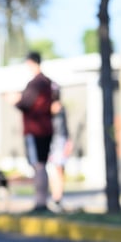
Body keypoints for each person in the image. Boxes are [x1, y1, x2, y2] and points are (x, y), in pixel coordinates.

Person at [11, 51, 54, 213]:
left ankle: (40, 202)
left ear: (31, 63)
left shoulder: (36, 83)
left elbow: (25, 103)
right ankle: (43, 200)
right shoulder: (48, 82)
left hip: (35, 129)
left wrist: (15, 100)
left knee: (38, 166)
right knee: (42, 165)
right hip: (46, 128)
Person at [47, 84, 72, 212]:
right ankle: (55, 197)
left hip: (58, 142)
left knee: (58, 170)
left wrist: (68, 142)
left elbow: (64, 128)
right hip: (53, 141)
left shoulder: (58, 108)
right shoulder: (51, 108)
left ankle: (57, 197)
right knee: (54, 171)